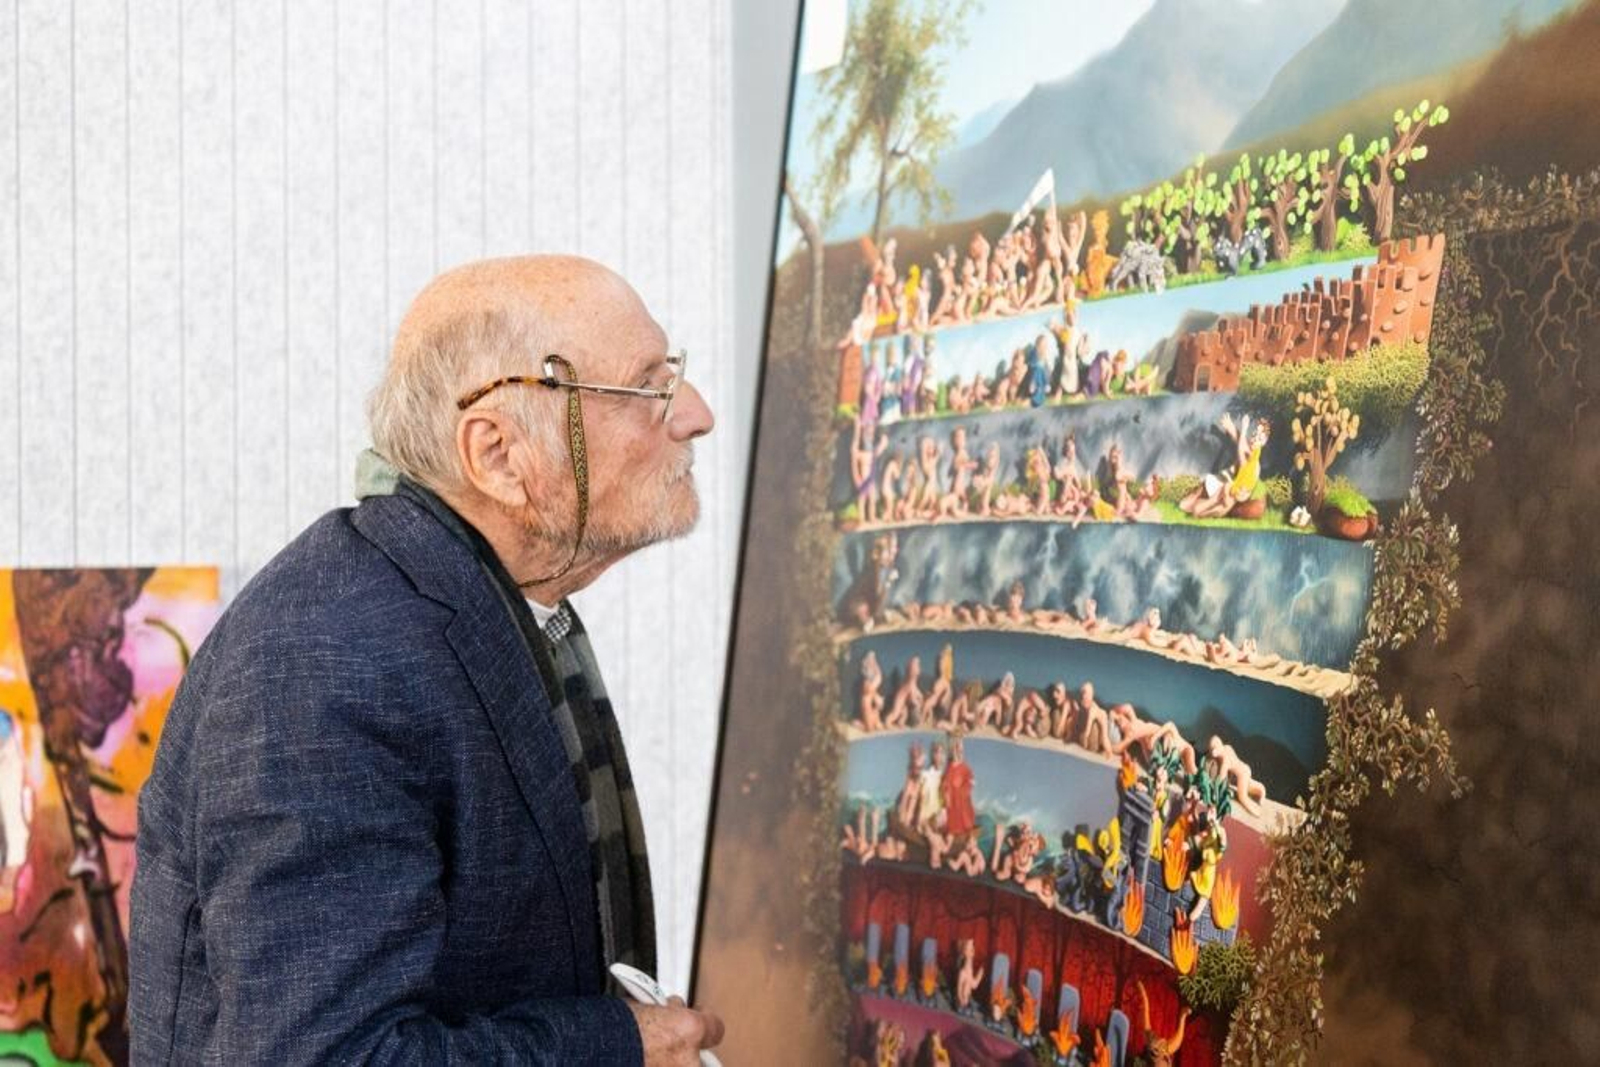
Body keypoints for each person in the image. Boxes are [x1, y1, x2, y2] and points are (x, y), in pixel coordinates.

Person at [130, 255, 724, 1064]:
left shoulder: (486, 606)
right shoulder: (326, 662)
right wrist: (617, 1045)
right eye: (646, 386)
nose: (694, 413)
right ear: (500, 455)